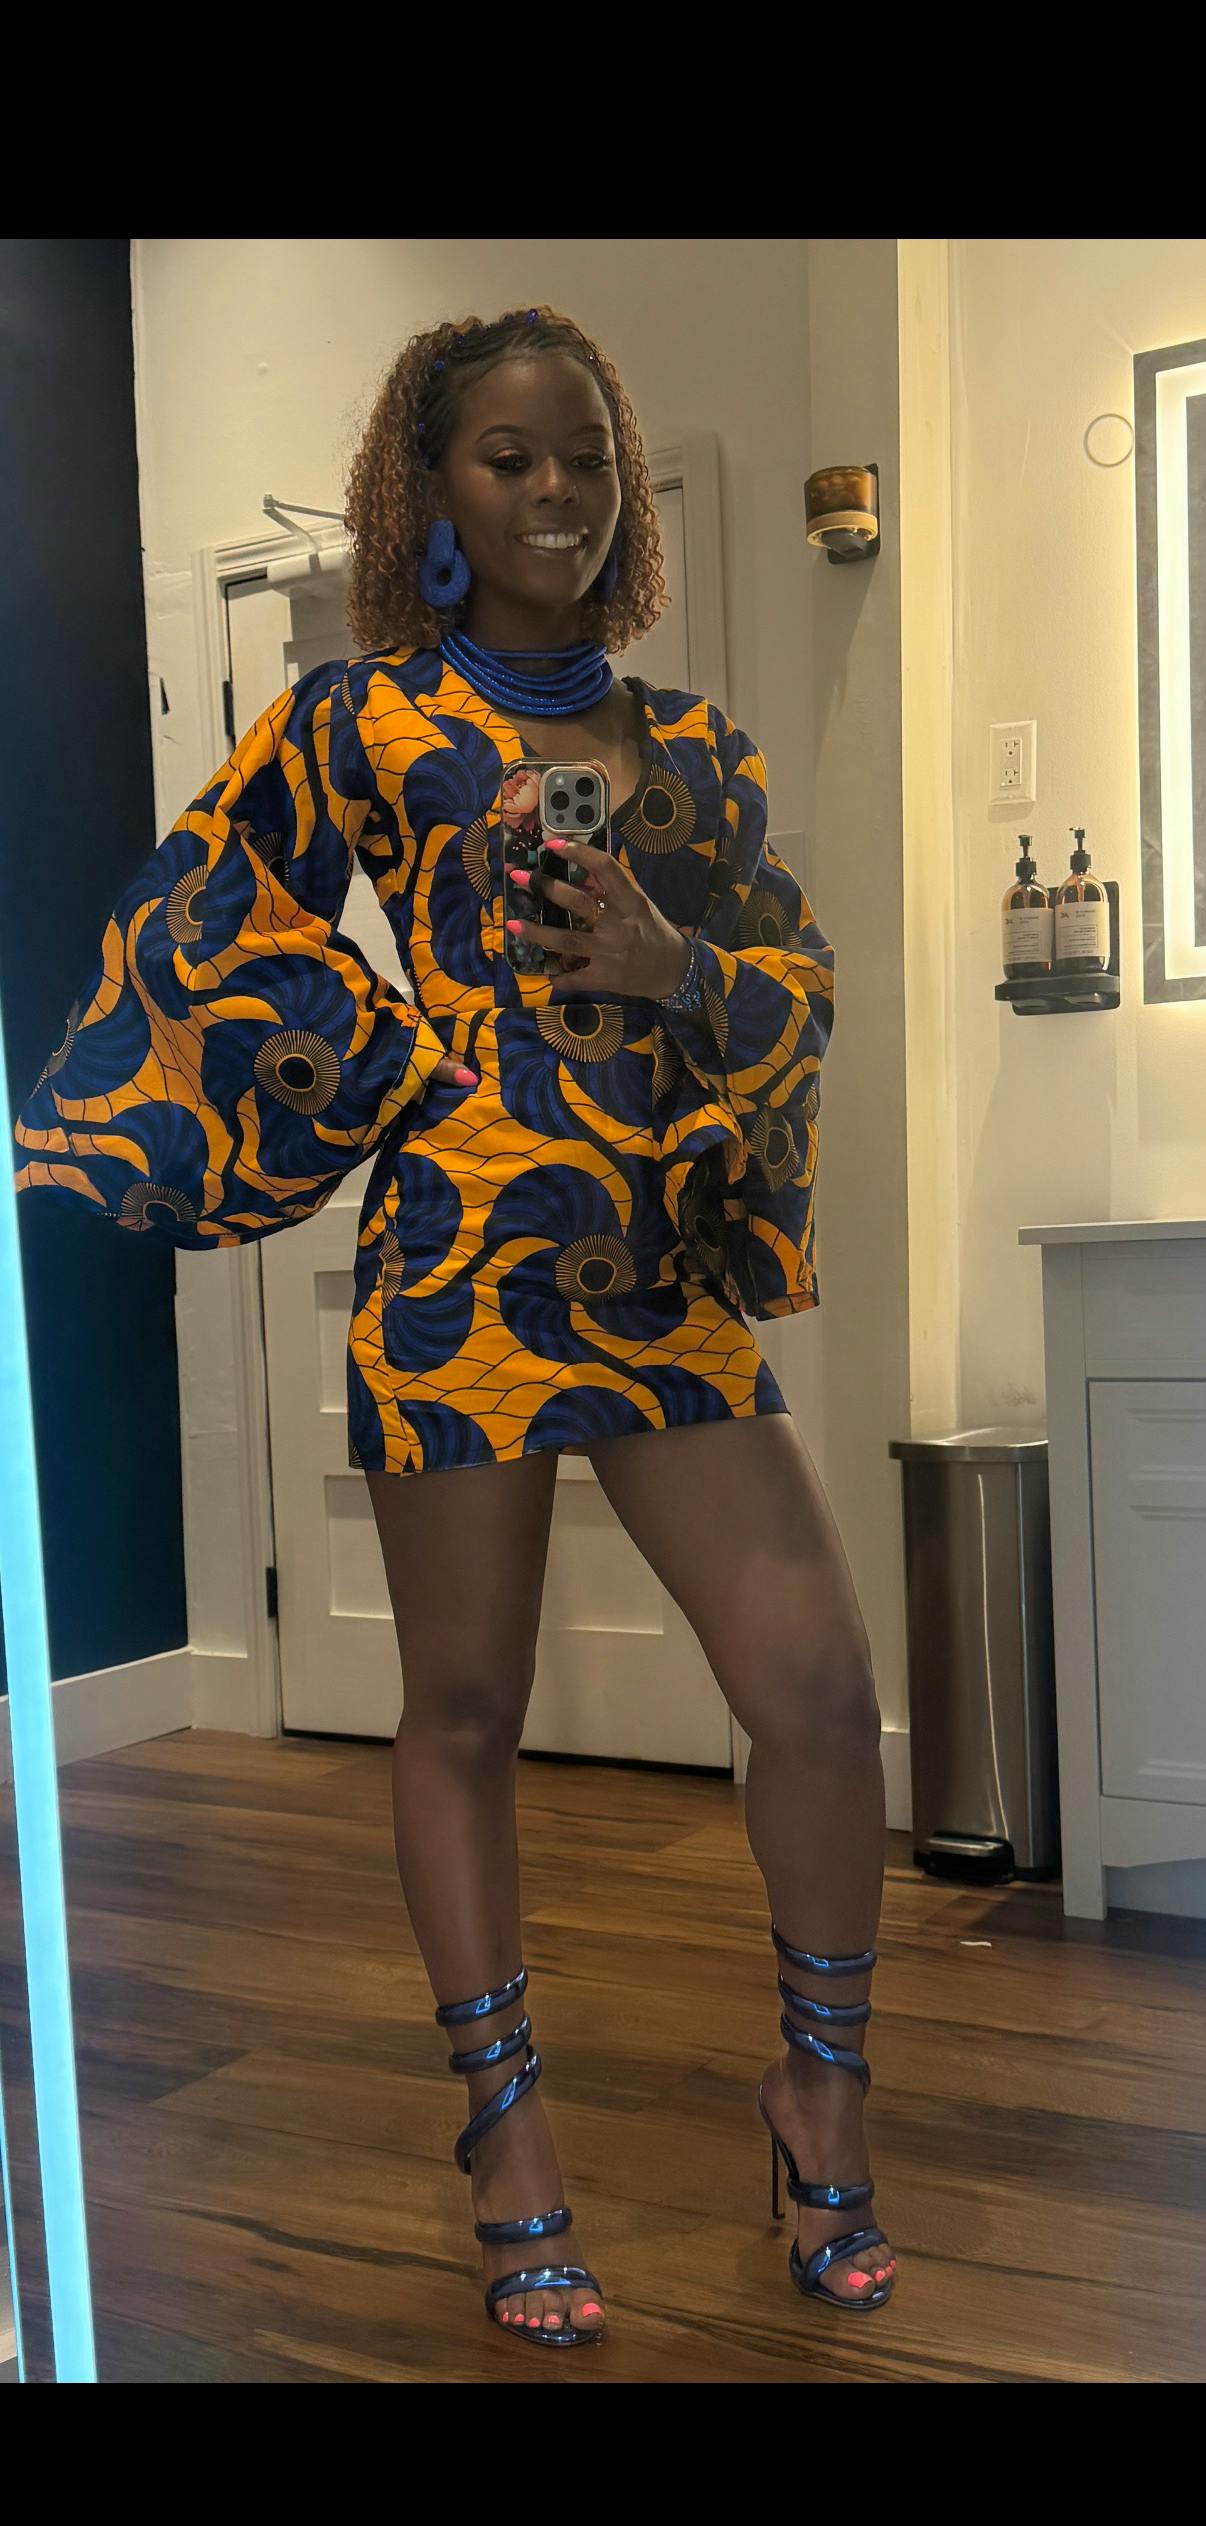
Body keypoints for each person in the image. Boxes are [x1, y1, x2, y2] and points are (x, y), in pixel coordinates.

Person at [13, 303, 897, 2349]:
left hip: (659, 1273)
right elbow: (204, 915)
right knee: (467, 1707)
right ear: (432, 488)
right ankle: (505, 2136)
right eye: (511, 457)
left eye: (586, 455)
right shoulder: (360, 719)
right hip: (459, 1281)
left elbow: (796, 988)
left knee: (820, 1688)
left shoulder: (699, 752)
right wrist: (394, 1056)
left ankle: (821, 2089)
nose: (556, 491)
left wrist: (678, 970)